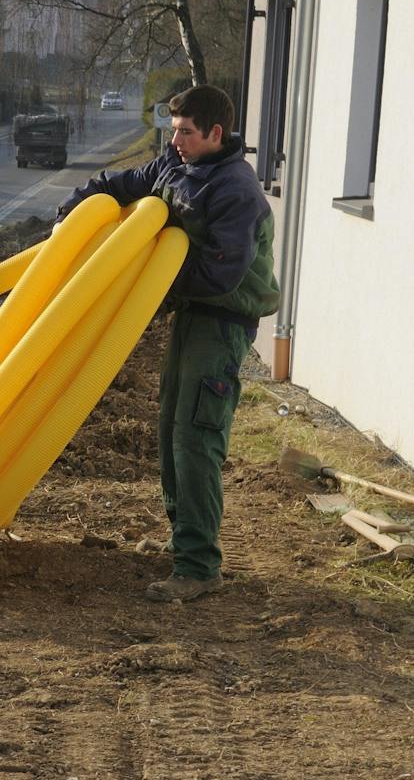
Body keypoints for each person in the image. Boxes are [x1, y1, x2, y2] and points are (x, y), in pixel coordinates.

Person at [57, 84, 279, 602]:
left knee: (195, 437)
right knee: (169, 429)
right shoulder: (173, 167)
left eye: (185, 132)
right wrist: (73, 210)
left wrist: (146, 286)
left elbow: (219, 274)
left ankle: (199, 566)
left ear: (215, 134)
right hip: (190, 316)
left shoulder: (235, 190)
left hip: (221, 321)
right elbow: (119, 183)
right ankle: (185, 544)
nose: (174, 140)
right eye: (172, 130)